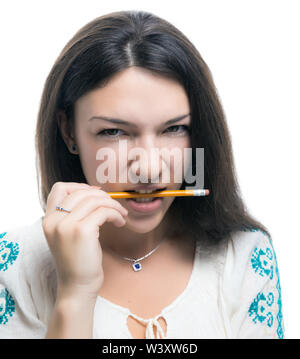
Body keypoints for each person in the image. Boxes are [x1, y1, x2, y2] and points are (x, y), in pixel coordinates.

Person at [0, 10, 284, 339]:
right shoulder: (15, 264)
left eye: (174, 128)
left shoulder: (244, 255)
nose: (149, 169)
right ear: (68, 132)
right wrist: (75, 294)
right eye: (114, 132)